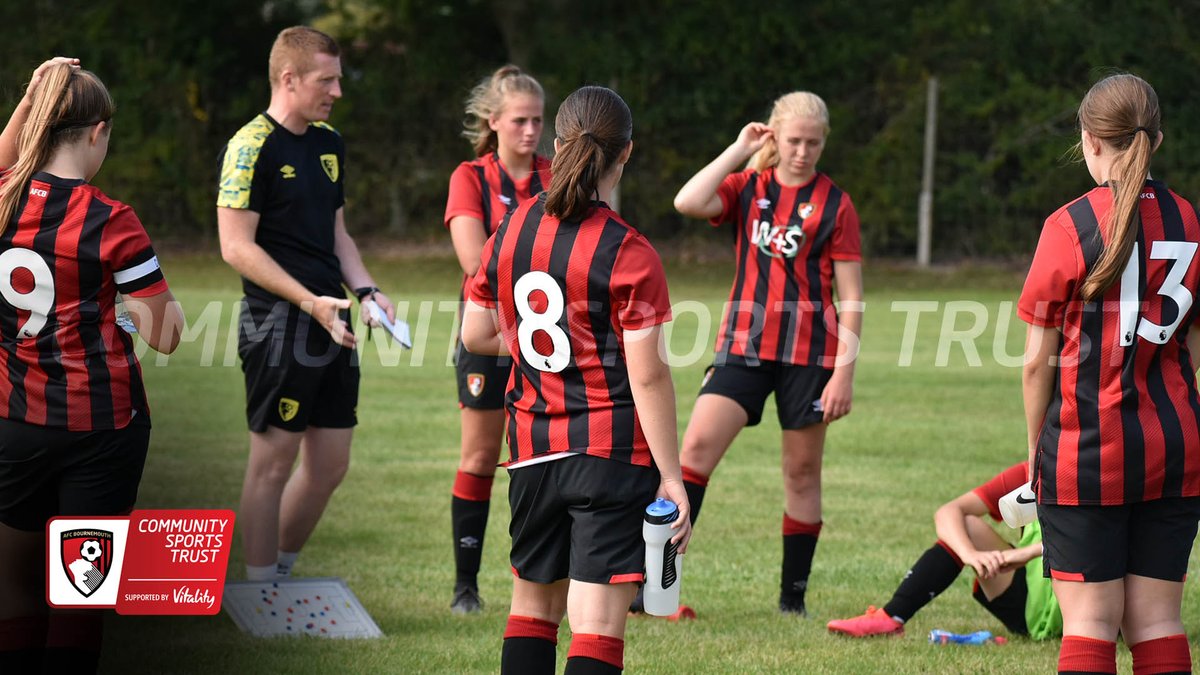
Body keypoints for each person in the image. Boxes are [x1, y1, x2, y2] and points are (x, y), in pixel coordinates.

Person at [461, 85, 691, 675]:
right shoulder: (629, 251)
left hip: (533, 448)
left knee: (533, 609)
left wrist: (545, 350)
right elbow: (648, 376)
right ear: (626, 154)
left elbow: (475, 335)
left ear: (557, 145)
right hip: (609, 453)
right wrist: (671, 476)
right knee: (595, 622)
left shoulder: (510, 230)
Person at [0, 58, 183, 672]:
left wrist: (30, 95)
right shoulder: (111, 218)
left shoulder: (2, 196)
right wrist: (130, 313)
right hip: (101, 431)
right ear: (99, 131)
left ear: (37, 122)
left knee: (16, 591)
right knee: (80, 598)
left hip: (14, 422)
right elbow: (166, 336)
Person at [1019, 73, 1200, 675]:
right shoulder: (1188, 221)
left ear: (1089, 140)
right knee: (1158, 623)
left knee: (1091, 623)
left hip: (1086, 454)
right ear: (1158, 140)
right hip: (1176, 449)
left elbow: (1033, 364)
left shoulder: (1068, 225)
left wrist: (1034, 453)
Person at [670, 91, 862, 616]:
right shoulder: (748, 187)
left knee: (802, 475)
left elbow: (852, 297)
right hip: (742, 347)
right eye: (794, 140)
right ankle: (657, 591)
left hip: (812, 357)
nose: (802, 152)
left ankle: (791, 602)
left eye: (813, 143)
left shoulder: (835, 203)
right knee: (692, 454)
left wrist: (843, 375)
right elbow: (687, 201)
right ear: (775, 137)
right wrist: (739, 148)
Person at [216, 26, 396, 582]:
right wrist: (306, 300)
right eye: (328, 79)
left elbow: (337, 235)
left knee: (330, 465)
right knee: (272, 465)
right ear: (288, 79)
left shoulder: (328, 143)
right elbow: (235, 247)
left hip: (332, 321)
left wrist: (366, 291)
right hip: (277, 325)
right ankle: (260, 586)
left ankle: (280, 577)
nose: (338, 91)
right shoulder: (249, 146)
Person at [442, 65, 551, 614]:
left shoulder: (557, 175)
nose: (531, 131)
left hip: (548, 337)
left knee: (548, 456)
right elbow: (471, 258)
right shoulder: (471, 177)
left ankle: (545, 580)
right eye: (520, 121)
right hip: (487, 334)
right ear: (494, 121)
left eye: (538, 120)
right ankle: (466, 586)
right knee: (482, 455)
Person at [827, 462, 1062, 640]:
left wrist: (1030, 552)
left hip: (1086, 599)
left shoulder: (1093, 473)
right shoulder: (1033, 470)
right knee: (965, 526)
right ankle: (890, 618)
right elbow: (949, 511)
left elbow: (1097, 543)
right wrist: (968, 554)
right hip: (1033, 603)